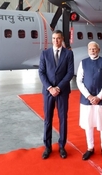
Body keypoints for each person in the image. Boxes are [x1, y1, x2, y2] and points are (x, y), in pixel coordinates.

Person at [76, 41, 102, 162]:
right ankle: (90, 148)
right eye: (90, 49)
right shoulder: (83, 63)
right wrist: (89, 96)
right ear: (88, 50)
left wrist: (98, 96)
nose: (92, 51)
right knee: (88, 125)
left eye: (94, 49)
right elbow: (79, 81)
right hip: (86, 100)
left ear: (98, 50)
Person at [38, 30, 75, 160]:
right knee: (48, 119)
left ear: (62, 39)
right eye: (53, 38)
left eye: (58, 38)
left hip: (62, 91)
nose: (56, 41)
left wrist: (58, 87)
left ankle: (62, 146)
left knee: (63, 119)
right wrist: (50, 88)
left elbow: (70, 73)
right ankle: (47, 147)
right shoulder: (45, 54)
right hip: (48, 92)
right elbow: (41, 72)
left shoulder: (69, 54)